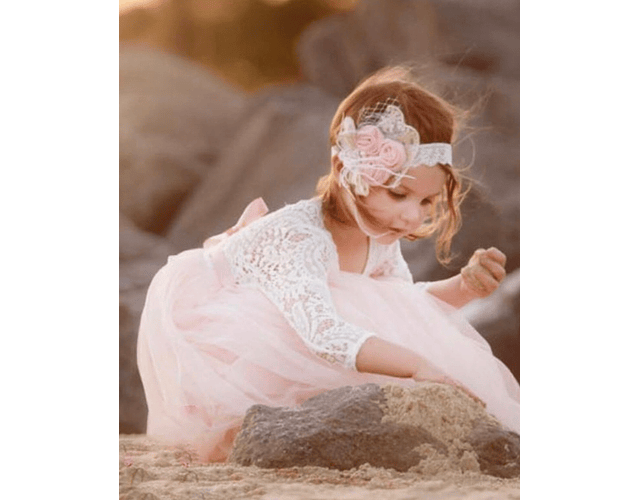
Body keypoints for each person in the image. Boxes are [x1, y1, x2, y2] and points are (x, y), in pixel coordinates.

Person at [136, 66, 520, 462]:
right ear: (343, 170)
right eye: (398, 194)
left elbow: (403, 304)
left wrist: (464, 288)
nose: (412, 216)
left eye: (426, 202)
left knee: (379, 320)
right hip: (226, 325)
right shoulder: (300, 237)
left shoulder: (379, 235)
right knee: (375, 353)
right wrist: (418, 366)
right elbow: (323, 334)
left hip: (304, 317)